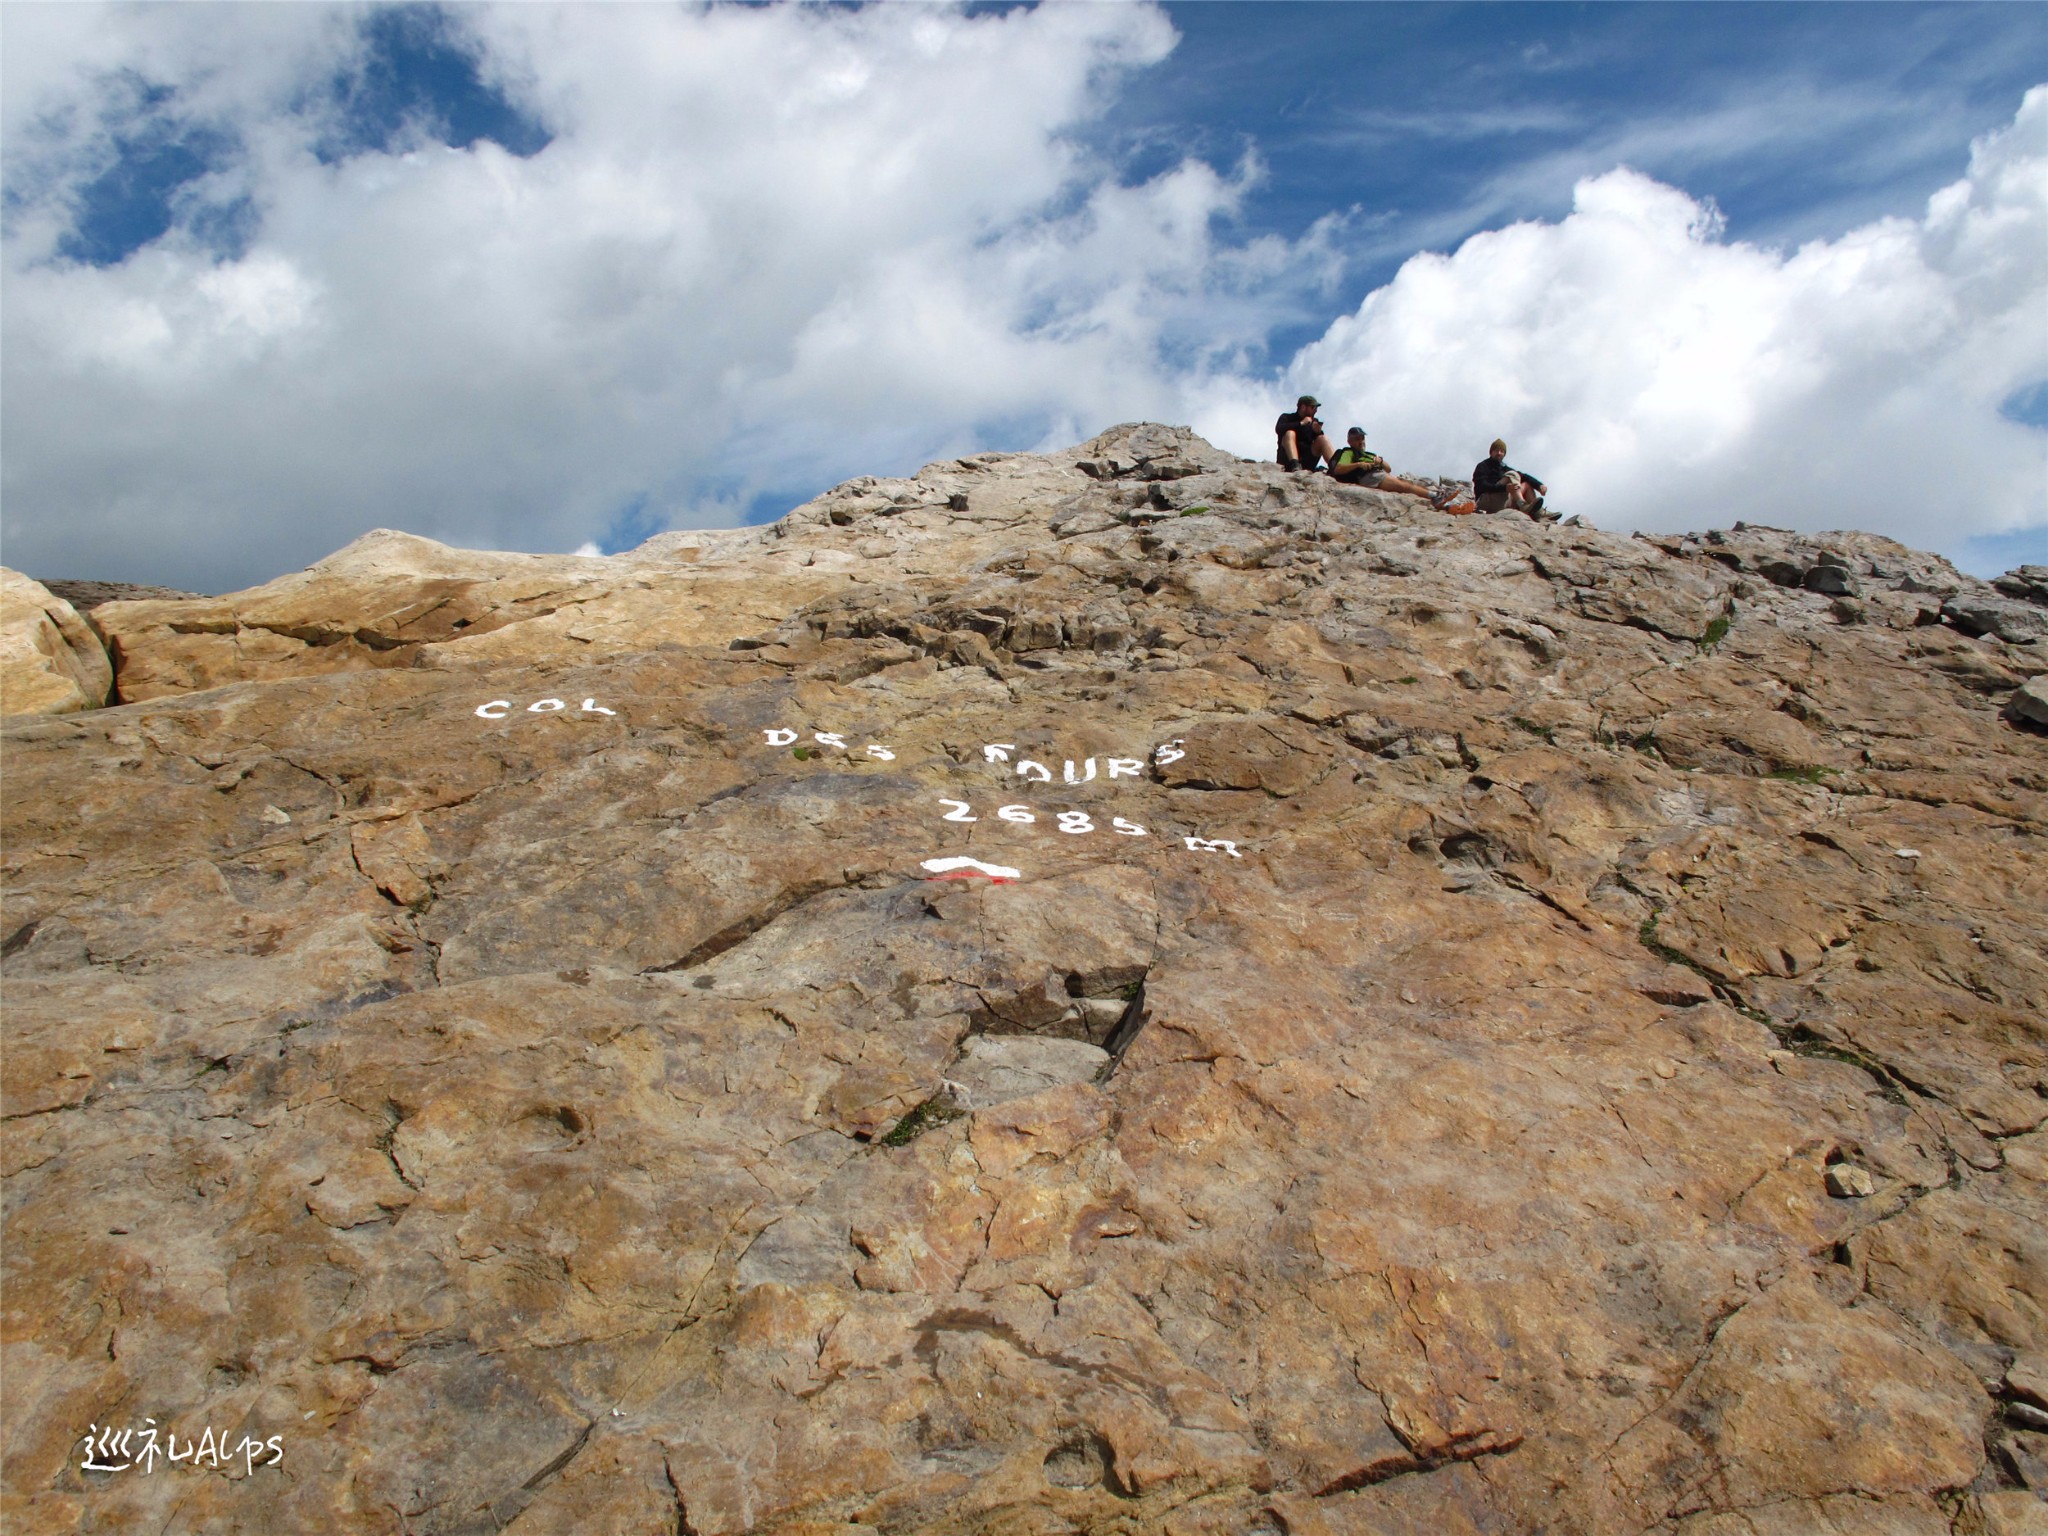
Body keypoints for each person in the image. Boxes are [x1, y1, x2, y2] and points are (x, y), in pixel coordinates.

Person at [1329, 428, 1451, 505]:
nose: (1361, 441)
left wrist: (1380, 461)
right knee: (1405, 486)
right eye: (1357, 439)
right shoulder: (1349, 452)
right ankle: (1435, 496)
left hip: (1378, 474)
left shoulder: (1369, 454)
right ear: (1350, 441)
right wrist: (1359, 464)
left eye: (1362, 438)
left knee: (1406, 485)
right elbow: (1339, 469)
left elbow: (1388, 469)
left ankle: (1439, 499)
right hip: (1369, 476)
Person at [1473, 439, 1549, 518]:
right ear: (1491, 452)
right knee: (1512, 474)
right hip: (1486, 500)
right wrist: (1505, 488)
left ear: (1504, 454)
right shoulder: (1483, 465)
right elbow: (1481, 486)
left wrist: (1539, 486)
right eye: (1496, 450)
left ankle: (1539, 513)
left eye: (1501, 451)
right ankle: (1522, 504)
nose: (1499, 453)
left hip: (1502, 502)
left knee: (1526, 485)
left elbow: (1524, 476)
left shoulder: (1505, 468)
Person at [1275, 395, 1334, 472]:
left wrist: (1318, 432)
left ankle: (1335, 467)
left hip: (1306, 461)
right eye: (1313, 407)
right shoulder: (1287, 417)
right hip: (1286, 461)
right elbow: (1279, 429)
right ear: (1303, 407)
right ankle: (1295, 464)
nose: (1316, 410)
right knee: (1290, 433)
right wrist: (1301, 423)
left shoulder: (1313, 422)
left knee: (1323, 438)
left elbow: (1317, 442)